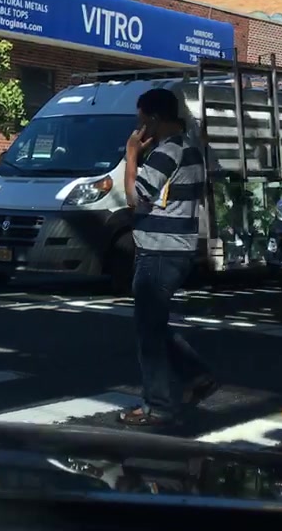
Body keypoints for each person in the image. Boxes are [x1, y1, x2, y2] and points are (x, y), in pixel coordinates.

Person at [118, 87, 219, 427]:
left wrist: (131, 153)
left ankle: (157, 406)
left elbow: (134, 196)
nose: (139, 127)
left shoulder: (167, 152)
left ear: (154, 118)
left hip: (159, 252)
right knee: (154, 324)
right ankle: (197, 375)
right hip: (179, 248)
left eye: (141, 120)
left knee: (148, 332)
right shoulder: (191, 148)